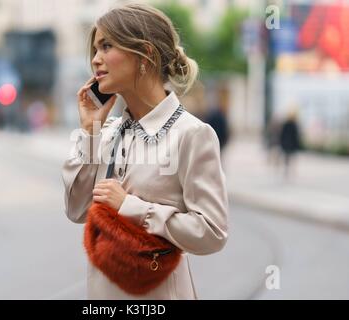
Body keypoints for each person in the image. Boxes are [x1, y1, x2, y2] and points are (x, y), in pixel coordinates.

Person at [62, 4, 228, 300]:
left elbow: (212, 232)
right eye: (95, 50)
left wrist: (130, 207)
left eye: (107, 46)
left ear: (145, 55)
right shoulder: (108, 132)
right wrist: (90, 132)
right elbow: (76, 210)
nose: (96, 60)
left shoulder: (192, 134)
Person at [279, 109, 302, 179]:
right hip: (289, 144)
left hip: (287, 144)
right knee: (290, 158)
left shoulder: (289, 124)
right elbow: (296, 136)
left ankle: (288, 170)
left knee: (288, 158)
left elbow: (283, 135)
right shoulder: (292, 124)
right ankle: (289, 170)